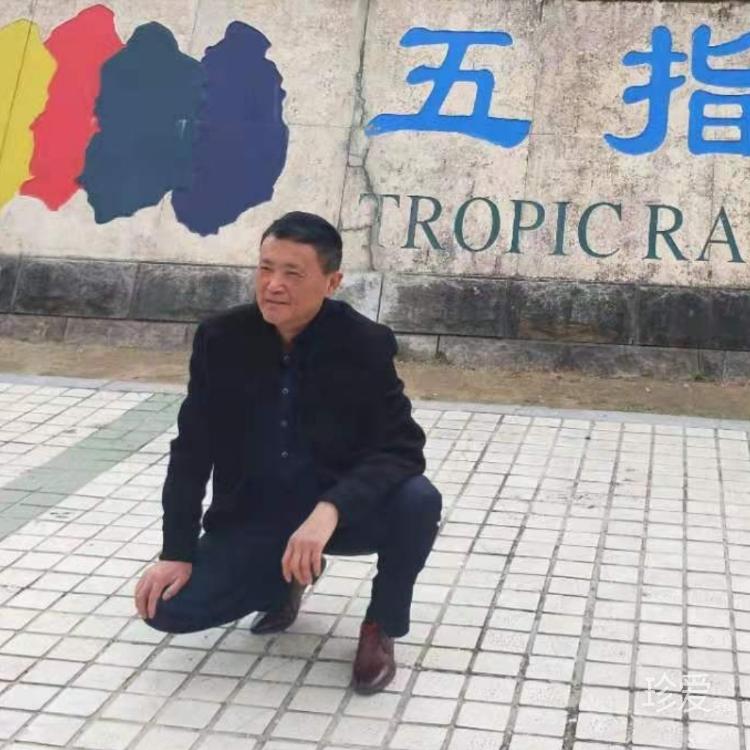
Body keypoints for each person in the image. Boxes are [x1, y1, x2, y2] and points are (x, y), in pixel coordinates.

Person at [135, 211, 441, 694]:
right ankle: (283, 581)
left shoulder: (365, 344)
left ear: (332, 282)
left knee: (418, 501)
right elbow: (191, 450)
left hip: (335, 516)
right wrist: (176, 552)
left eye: (292, 273)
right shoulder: (220, 339)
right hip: (257, 514)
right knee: (167, 608)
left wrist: (331, 509)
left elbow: (402, 448)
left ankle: (380, 625)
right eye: (265, 268)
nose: (273, 285)